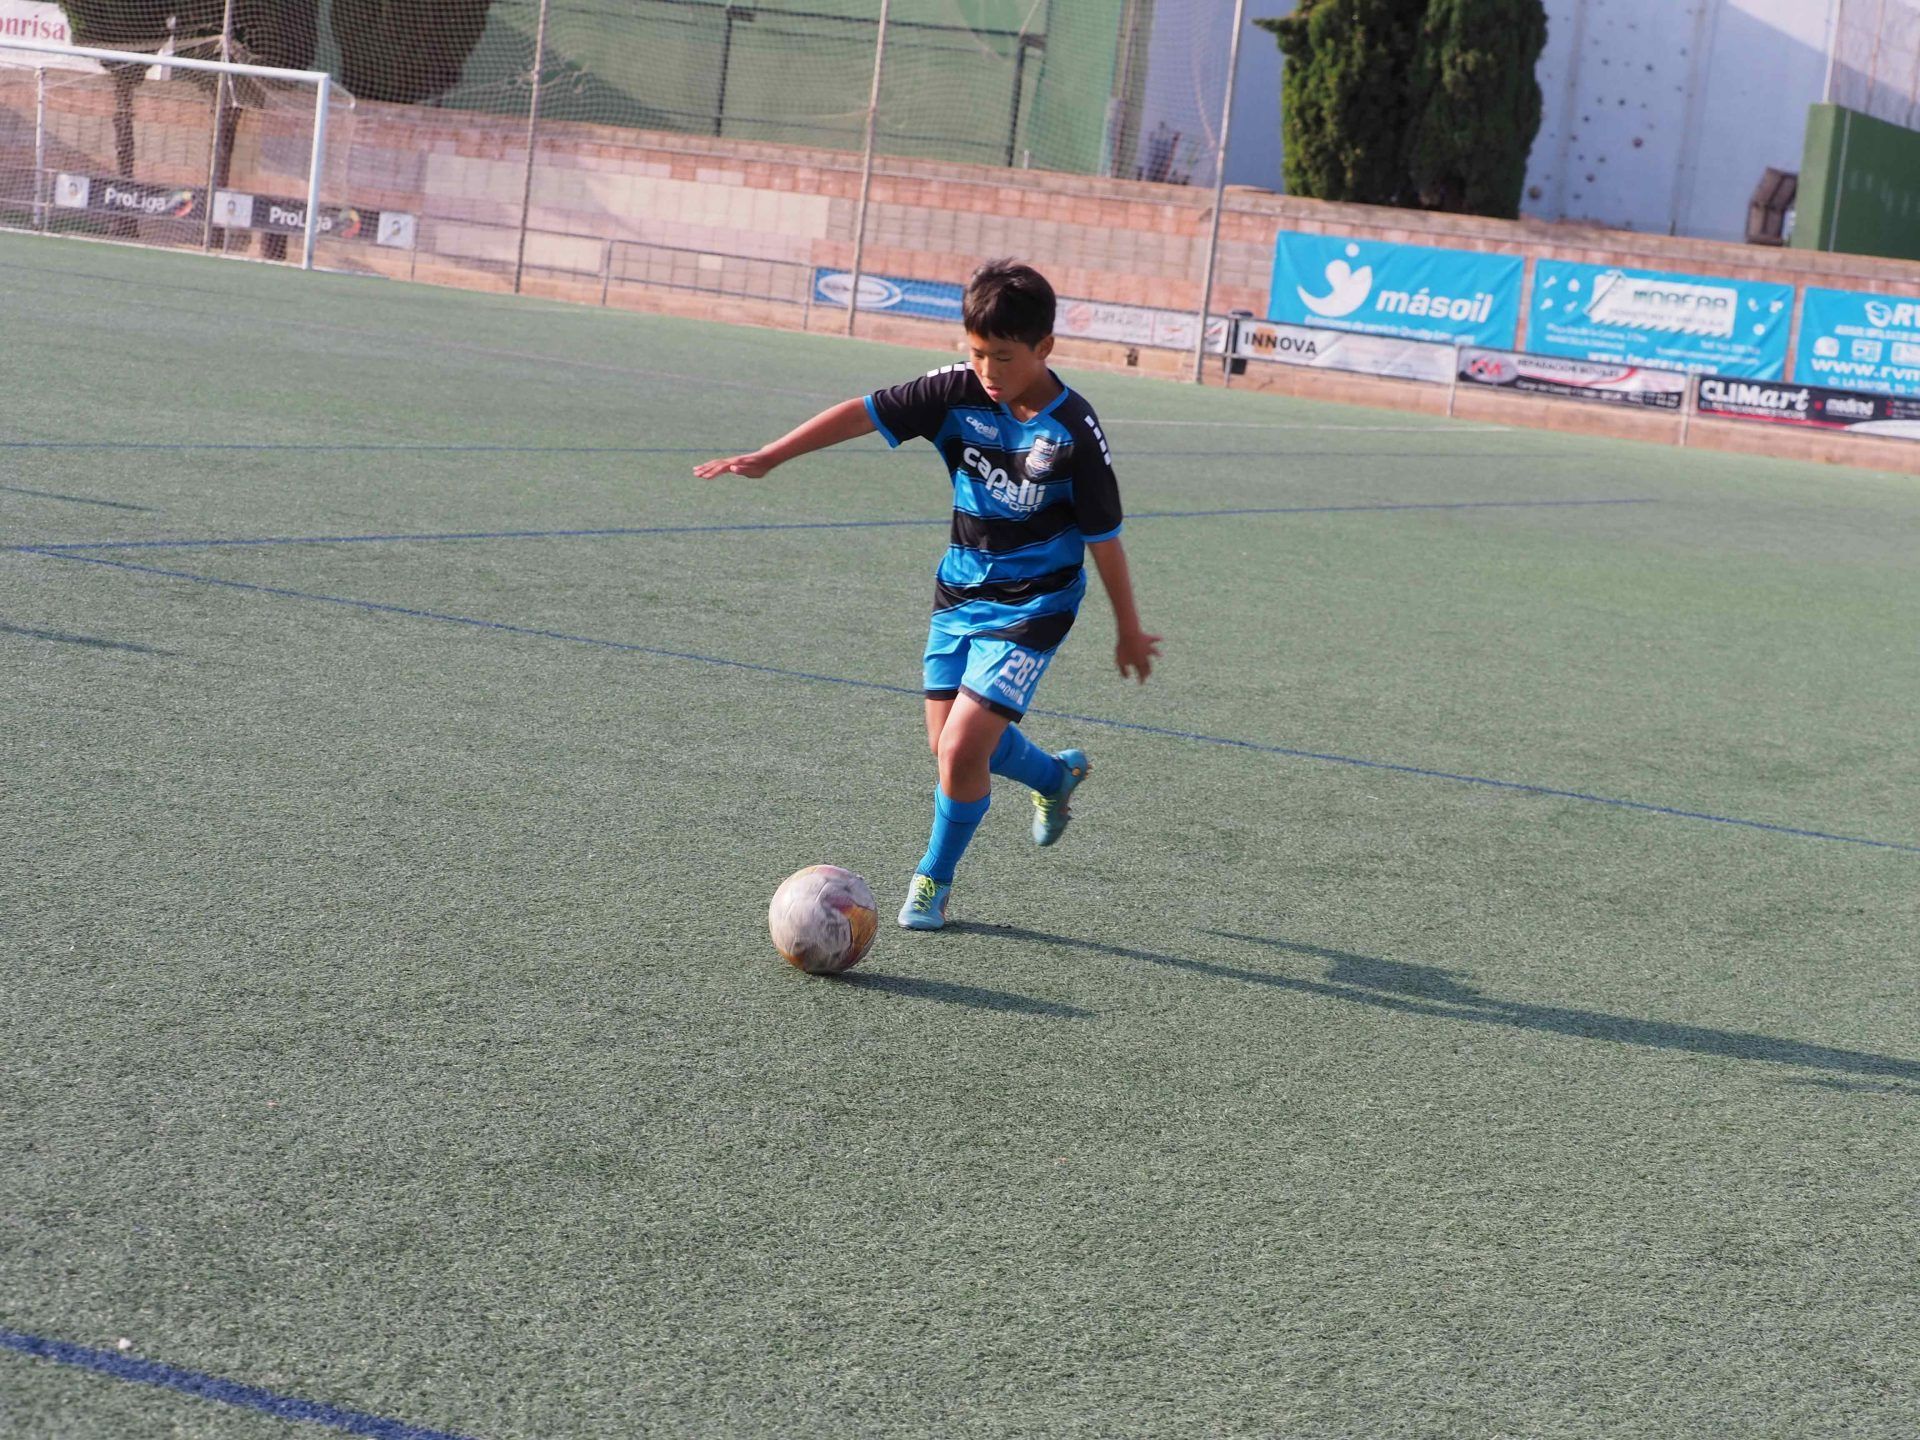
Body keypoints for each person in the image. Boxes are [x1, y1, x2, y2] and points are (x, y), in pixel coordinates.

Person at [694, 259, 1160, 930]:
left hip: (1036, 607)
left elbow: (1105, 538)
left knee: (963, 747)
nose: (988, 371)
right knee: (949, 749)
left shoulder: (1073, 433)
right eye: (976, 353)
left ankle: (931, 883)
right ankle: (1056, 780)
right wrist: (772, 454)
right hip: (960, 594)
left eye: (1003, 356)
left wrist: (1128, 628)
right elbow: (862, 414)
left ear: (1044, 348)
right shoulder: (955, 390)